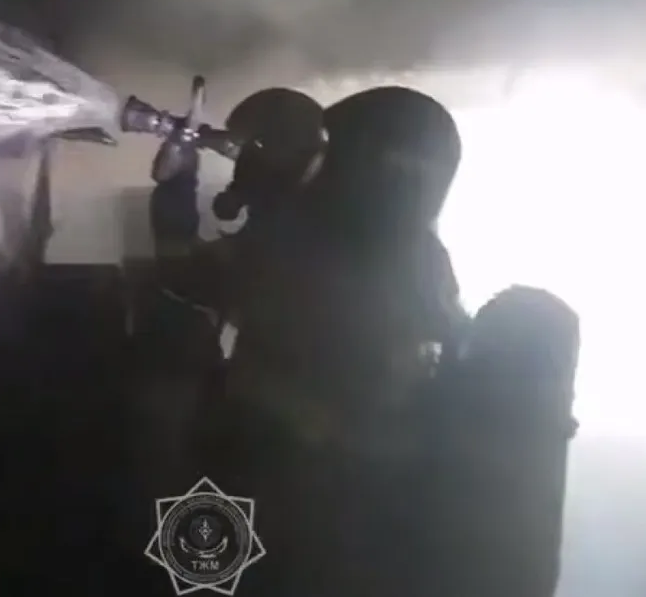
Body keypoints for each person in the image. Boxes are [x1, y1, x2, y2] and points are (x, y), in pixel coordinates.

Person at [140, 84, 581, 597]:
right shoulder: (421, 259)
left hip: (265, 479)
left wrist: (176, 185)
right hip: (362, 510)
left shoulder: (287, 251)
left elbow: (181, 273)